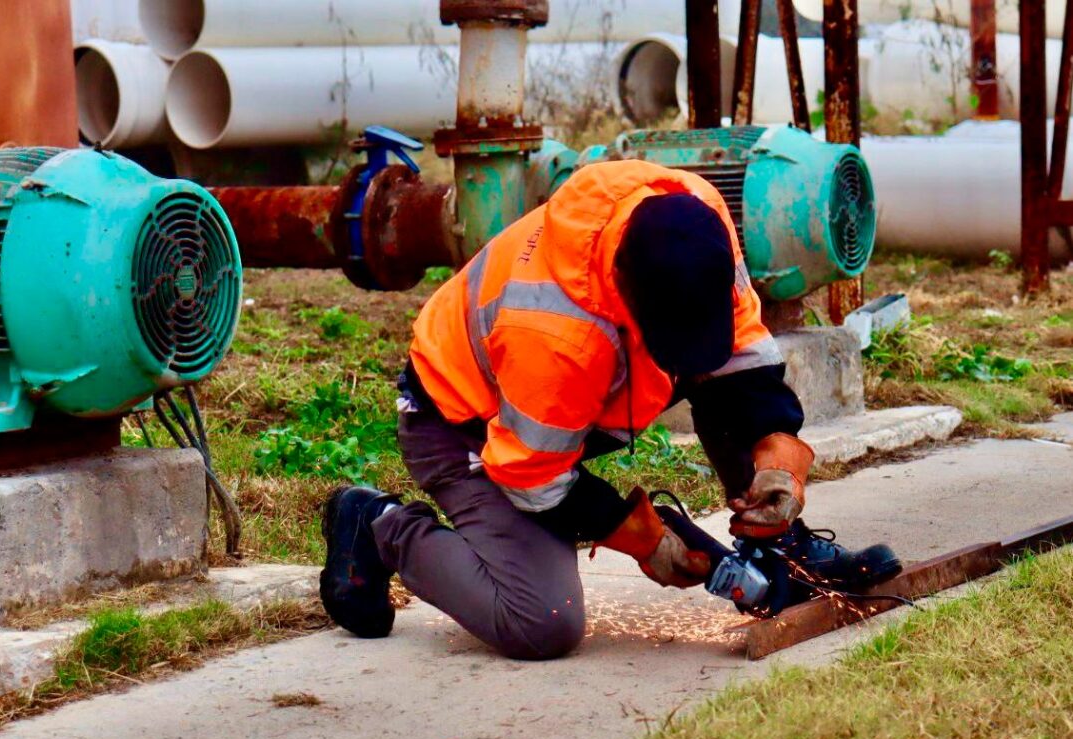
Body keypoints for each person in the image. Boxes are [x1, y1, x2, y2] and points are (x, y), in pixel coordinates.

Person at [319, 160, 898, 660]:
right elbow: (534, 477)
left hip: (558, 405)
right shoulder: (552, 332)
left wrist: (776, 456)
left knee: (734, 389)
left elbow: (741, 354)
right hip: (463, 425)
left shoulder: (694, 212)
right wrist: (641, 538)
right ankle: (379, 526)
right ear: (623, 292)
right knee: (543, 621)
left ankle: (780, 551)